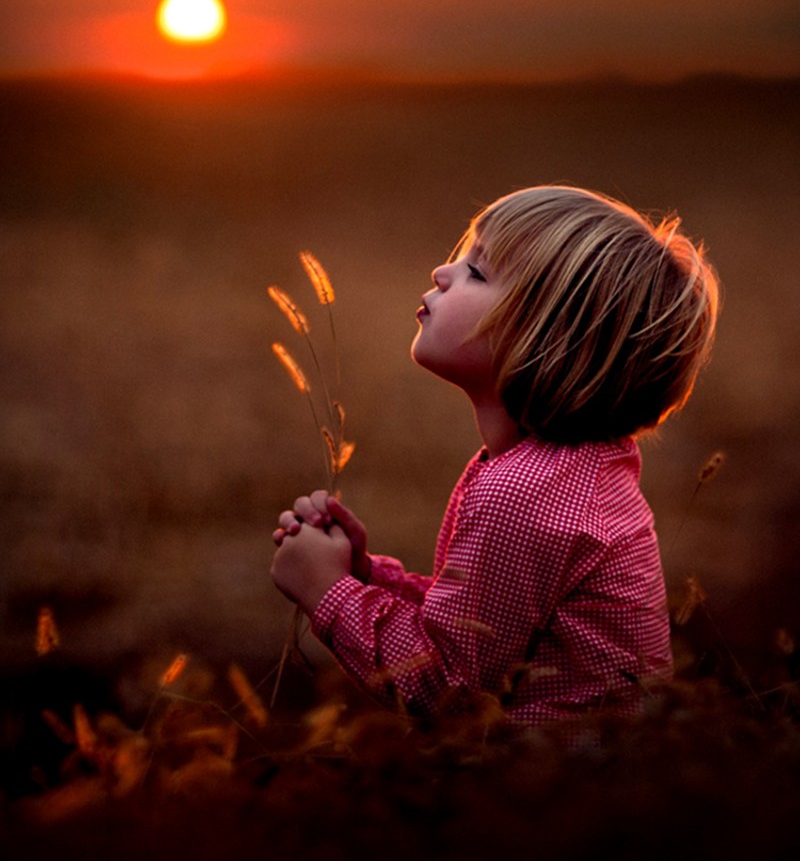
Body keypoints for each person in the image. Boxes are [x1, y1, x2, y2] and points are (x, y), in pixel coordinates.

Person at [271, 185, 719, 726]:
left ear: (550, 339)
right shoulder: (576, 471)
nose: (443, 271)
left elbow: (449, 694)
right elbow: (489, 627)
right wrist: (368, 576)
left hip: (548, 796)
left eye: (477, 273)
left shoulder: (524, 493)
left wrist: (328, 591)